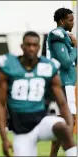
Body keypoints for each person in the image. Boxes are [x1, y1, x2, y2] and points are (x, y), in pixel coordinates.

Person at [0, 31, 76, 156]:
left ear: (39, 47)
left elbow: (62, 102)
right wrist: (4, 139)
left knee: (62, 127)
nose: (31, 48)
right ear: (22, 46)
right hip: (22, 129)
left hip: (41, 121)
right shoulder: (9, 66)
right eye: (28, 45)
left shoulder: (48, 66)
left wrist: (69, 127)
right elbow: (0, 104)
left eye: (34, 45)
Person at [46, 8, 77, 156]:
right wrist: (75, 46)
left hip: (68, 82)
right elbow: (65, 62)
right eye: (70, 20)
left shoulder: (67, 36)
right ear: (61, 21)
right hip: (62, 82)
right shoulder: (56, 34)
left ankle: (55, 154)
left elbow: (74, 61)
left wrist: (73, 48)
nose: (73, 22)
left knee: (67, 120)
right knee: (68, 119)